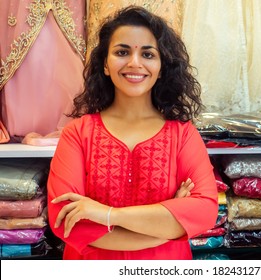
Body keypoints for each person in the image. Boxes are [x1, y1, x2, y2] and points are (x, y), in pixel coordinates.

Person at [47, 6, 218, 260]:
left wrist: (106, 214)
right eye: (122, 52)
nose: (134, 63)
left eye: (148, 54)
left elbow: (203, 212)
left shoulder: (183, 135)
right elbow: (66, 222)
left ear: (161, 66)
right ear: (105, 64)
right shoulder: (77, 134)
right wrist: (167, 227)